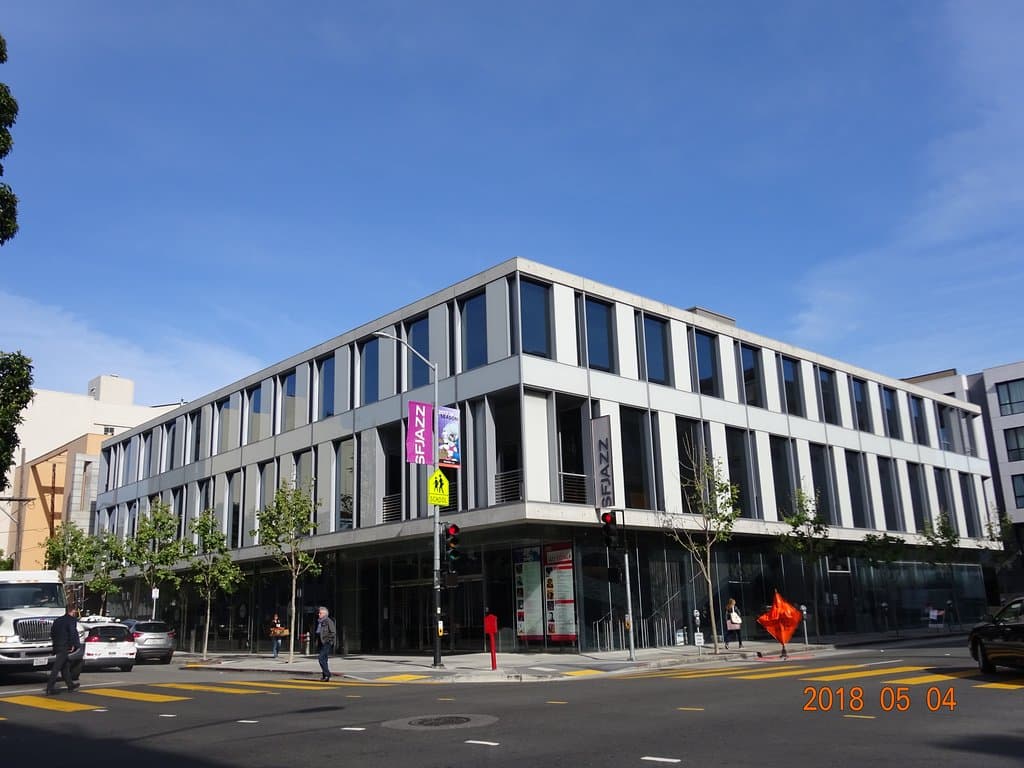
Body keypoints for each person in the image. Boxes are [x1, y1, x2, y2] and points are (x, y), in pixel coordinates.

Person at [46, 603, 82, 695]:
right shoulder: (71, 620)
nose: (75, 612)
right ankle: (50, 687)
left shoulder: (58, 620)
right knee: (57, 667)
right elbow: (72, 633)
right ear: (73, 610)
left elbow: (52, 632)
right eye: (75, 611)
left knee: (65, 666)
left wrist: (55, 644)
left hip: (57, 644)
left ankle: (70, 685)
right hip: (64, 645)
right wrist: (75, 645)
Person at [316, 606, 337, 681]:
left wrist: (328, 640)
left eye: (320, 613)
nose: (318, 614)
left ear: (325, 614)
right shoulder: (320, 621)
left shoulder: (328, 621)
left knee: (321, 658)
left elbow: (333, 632)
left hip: (326, 642)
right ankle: (325, 676)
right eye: (319, 613)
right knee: (324, 659)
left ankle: (327, 674)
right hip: (321, 642)